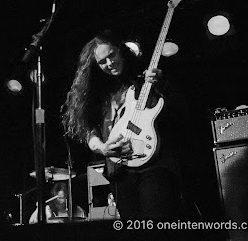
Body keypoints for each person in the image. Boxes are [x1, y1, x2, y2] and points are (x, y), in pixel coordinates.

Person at [61, 29, 188, 220]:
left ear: (120, 50)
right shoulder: (96, 96)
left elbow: (181, 111)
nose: (109, 63)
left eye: (112, 55)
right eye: (102, 62)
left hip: (154, 165)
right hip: (119, 172)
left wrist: (162, 85)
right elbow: (89, 132)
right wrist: (103, 148)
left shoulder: (142, 79)